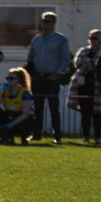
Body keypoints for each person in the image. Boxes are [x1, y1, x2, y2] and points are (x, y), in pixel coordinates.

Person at [25, 11, 70, 141]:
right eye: (43, 21)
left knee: (53, 107)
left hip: (52, 78)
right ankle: (36, 133)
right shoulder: (37, 39)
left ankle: (57, 135)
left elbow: (65, 59)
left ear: (53, 23)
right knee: (37, 107)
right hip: (38, 77)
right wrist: (31, 73)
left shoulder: (61, 40)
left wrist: (58, 74)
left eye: (48, 22)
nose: (45, 24)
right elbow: (31, 57)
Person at [71, 30, 101, 141]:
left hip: (97, 85)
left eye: (94, 38)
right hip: (83, 85)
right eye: (90, 38)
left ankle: (97, 136)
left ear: (100, 40)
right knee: (85, 111)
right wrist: (91, 64)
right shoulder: (83, 51)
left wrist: (89, 64)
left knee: (98, 113)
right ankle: (85, 135)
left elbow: (100, 66)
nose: (92, 41)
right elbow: (78, 63)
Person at [0, 67, 38, 143]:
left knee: (27, 121)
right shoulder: (6, 92)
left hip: (20, 118)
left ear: (18, 80)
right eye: (8, 78)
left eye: (11, 79)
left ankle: (24, 136)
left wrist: (11, 125)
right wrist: (2, 91)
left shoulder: (25, 93)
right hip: (9, 115)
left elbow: (25, 114)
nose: (9, 81)